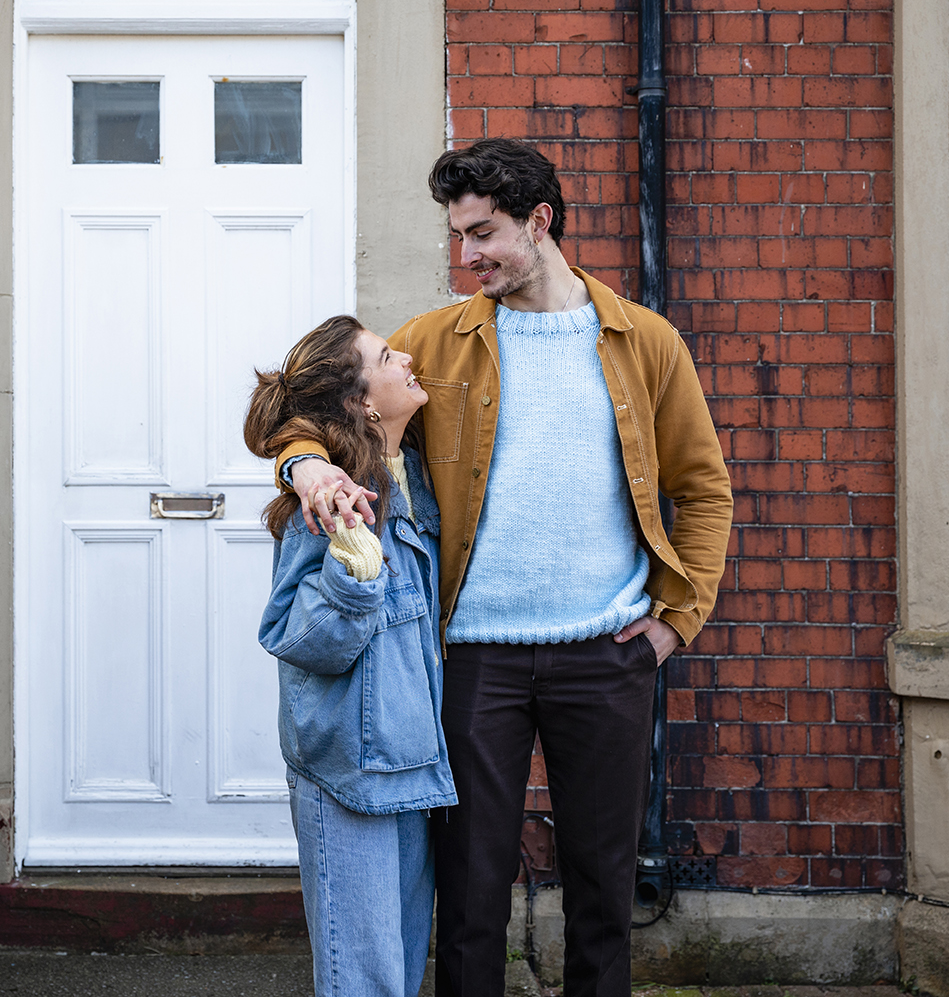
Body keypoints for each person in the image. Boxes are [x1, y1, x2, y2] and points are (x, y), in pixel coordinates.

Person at [277, 139, 733, 996]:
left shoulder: (646, 343)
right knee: (472, 890)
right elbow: (311, 409)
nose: (467, 255)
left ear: (540, 221)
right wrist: (304, 465)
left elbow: (704, 490)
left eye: (482, 232)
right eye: (457, 235)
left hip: (608, 655)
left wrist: (674, 626)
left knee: (604, 891)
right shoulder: (433, 344)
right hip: (474, 661)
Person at [246, 315, 455, 997]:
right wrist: (354, 576)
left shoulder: (414, 477)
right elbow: (295, 635)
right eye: (389, 356)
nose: (408, 359)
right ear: (362, 400)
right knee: (363, 982)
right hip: (349, 773)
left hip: (411, 767)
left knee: (393, 972)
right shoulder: (327, 501)